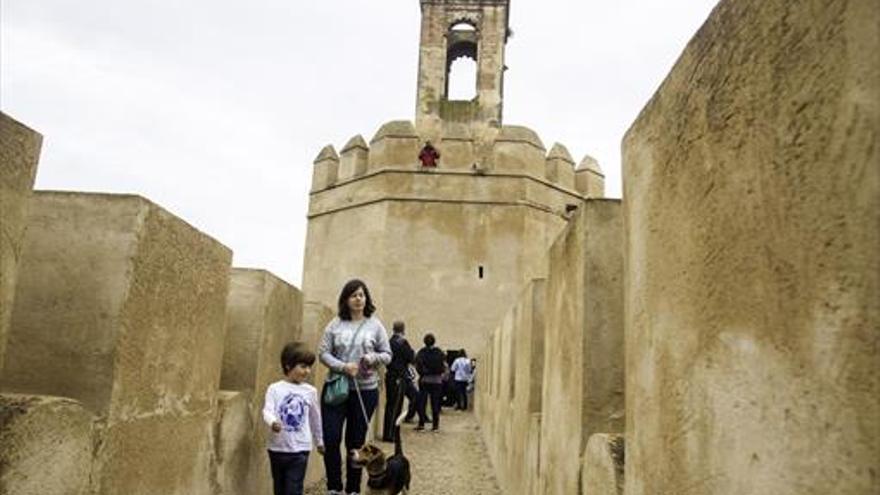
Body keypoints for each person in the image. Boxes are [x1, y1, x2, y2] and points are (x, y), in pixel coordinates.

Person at [318, 279, 392, 495]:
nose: (358, 299)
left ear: (366, 298)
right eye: (353, 295)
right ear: (346, 299)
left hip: (365, 390)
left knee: (355, 441)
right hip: (336, 389)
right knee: (331, 438)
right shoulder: (334, 324)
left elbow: (387, 354)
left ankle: (352, 489)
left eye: (361, 294)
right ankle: (333, 487)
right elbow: (323, 352)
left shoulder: (375, 325)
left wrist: (371, 358)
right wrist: (343, 366)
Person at [262, 342, 324, 495]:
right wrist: (273, 422)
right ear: (288, 366)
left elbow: (315, 419)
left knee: (293, 489)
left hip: (300, 449)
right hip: (277, 448)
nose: (307, 371)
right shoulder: (275, 389)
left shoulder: (310, 391)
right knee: (280, 487)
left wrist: (320, 441)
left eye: (309, 367)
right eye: (302, 366)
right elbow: (267, 411)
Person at [381, 320, 418, 442]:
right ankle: (391, 434)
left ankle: (387, 432)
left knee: (390, 405)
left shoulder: (389, 341)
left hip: (390, 375)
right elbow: (411, 357)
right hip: (398, 376)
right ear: (403, 330)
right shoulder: (402, 342)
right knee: (396, 406)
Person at [414, 333, 446, 431]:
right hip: (437, 381)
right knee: (435, 403)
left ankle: (421, 424)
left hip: (424, 380)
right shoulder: (439, 352)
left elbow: (417, 365)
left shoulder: (421, 352)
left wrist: (422, 373)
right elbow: (444, 366)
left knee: (422, 403)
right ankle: (435, 426)